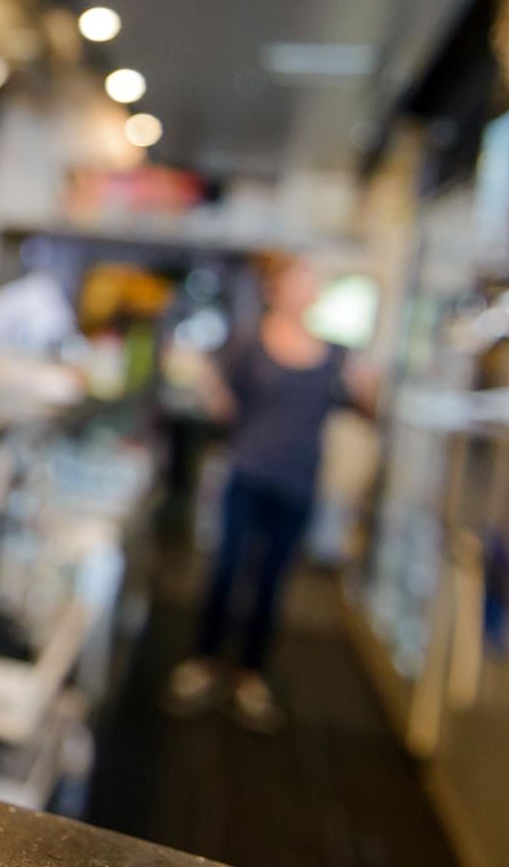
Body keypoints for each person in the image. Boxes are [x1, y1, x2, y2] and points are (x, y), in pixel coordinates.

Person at [165, 253, 378, 732]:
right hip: (246, 471)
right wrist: (199, 377)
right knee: (227, 568)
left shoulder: (339, 354)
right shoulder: (248, 343)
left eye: (312, 281)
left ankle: (249, 673)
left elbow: (364, 410)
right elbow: (223, 407)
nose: (306, 289)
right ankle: (204, 662)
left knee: (273, 580)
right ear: (275, 289)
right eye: (298, 280)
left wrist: (369, 389)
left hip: (300, 480)